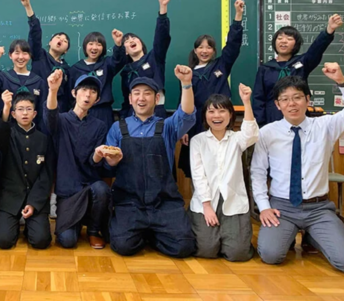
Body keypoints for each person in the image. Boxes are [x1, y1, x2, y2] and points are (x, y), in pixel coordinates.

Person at [251, 63, 344, 274]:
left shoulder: (325, 126)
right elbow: (257, 172)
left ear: (307, 100)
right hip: (282, 208)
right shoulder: (267, 133)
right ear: (277, 105)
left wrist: (342, 81)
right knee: (271, 255)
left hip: (318, 209)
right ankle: (297, 233)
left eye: (297, 97)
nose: (291, 104)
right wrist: (264, 206)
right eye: (284, 99)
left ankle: (313, 235)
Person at [104, 69, 196, 257]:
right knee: (122, 246)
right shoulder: (118, 127)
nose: (141, 98)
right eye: (137, 93)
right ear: (130, 99)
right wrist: (111, 162)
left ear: (156, 99)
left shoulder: (168, 126)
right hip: (129, 202)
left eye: (147, 93)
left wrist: (186, 83)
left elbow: (186, 114)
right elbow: (107, 165)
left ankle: (151, 233)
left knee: (184, 246)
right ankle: (147, 231)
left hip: (164, 202)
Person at [188, 84, 258, 261]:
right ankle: (216, 237)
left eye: (222, 111)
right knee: (207, 250)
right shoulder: (198, 141)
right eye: (211, 111)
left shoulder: (236, 139)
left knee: (238, 254)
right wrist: (206, 205)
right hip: (207, 201)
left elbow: (251, 133)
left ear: (230, 115)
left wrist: (246, 102)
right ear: (205, 116)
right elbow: (198, 175)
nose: (216, 116)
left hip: (233, 201)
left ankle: (231, 238)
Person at [178, 0, 245, 178]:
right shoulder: (187, 73)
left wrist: (238, 16)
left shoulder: (221, 65)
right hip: (195, 124)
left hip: (218, 121)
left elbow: (233, 45)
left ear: (214, 51)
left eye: (209, 47)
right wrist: (183, 129)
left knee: (221, 165)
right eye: (200, 47)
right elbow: (183, 103)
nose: (204, 51)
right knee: (196, 167)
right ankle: (198, 204)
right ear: (195, 51)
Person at [45, 70, 109, 249]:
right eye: (83, 89)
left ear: (97, 99)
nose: (87, 95)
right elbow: (49, 116)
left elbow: (95, 163)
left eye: (93, 92)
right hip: (68, 191)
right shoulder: (61, 120)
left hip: (89, 186)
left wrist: (97, 155)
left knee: (102, 188)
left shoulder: (99, 126)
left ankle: (93, 230)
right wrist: (53, 90)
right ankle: (76, 220)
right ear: (74, 93)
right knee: (67, 241)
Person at [252, 14, 341, 126]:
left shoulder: (302, 62)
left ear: (296, 44)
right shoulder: (265, 69)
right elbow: (258, 98)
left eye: (289, 39)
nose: (283, 41)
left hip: (298, 114)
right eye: (279, 38)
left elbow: (317, 48)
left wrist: (329, 30)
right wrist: (260, 124)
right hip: (272, 117)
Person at [0, 91, 53, 250]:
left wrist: (33, 203)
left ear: (35, 114)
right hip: (10, 198)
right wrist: (5, 107)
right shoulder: (7, 135)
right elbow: (0, 131)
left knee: (41, 241)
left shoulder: (44, 139)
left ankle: (30, 227)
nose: (24, 113)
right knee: (3, 241)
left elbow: (46, 175)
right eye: (20, 109)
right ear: (13, 114)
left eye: (28, 109)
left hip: (35, 198)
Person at [120, 0, 172, 119]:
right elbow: (126, 99)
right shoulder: (125, 72)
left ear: (141, 43)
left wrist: (162, 9)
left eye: (134, 38)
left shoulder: (155, 57)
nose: (131, 40)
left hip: (156, 112)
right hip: (132, 116)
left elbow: (162, 37)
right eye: (126, 41)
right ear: (125, 51)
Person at [21, 0, 72, 113]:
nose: (61, 40)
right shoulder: (39, 55)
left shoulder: (67, 69)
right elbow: (35, 34)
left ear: (66, 50)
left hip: (58, 110)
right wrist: (28, 7)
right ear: (50, 42)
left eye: (65, 41)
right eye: (58, 37)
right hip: (36, 106)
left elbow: (68, 94)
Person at [0, 39, 48, 134]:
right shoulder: (4, 77)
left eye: (25, 53)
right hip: (7, 132)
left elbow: (42, 113)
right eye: (17, 53)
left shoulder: (38, 81)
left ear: (30, 56)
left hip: (32, 133)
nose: (21, 57)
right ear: (10, 55)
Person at [68, 30, 125, 130]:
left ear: (103, 48)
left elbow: (119, 60)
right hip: (81, 112)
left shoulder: (107, 64)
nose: (94, 47)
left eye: (98, 44)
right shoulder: (74, 69)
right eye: (91, 44)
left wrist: (118, 45)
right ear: (85, 46)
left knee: (104, 142)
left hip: (103, 112)